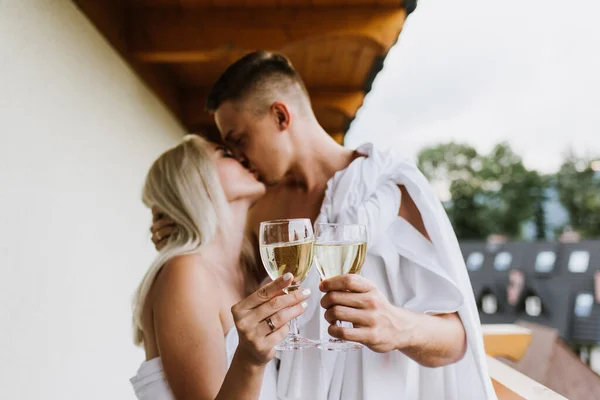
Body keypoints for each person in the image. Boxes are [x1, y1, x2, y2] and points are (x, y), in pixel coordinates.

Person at [152, 52, 497, 399]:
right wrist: (179, 221)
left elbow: (456, 339)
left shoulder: (387, 190)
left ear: (280, 115)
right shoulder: (261, 210)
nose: (239, 157)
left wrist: (395, 326)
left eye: (240, 139)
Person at [130, 135, 312, 400]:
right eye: (225, 153)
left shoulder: (250, 275)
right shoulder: (186, 272)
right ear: (194, 181)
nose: (242, 157)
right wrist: (249, 361)